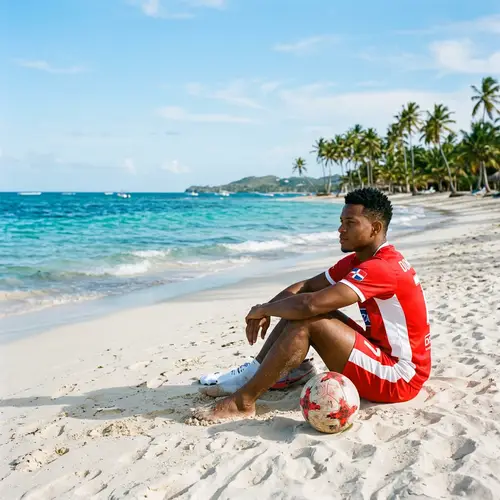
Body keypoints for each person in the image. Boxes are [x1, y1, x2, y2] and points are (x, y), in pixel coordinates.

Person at [193, 188, 431, 423]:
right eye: (341, 221)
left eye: (350, 222)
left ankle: (242, 402)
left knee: (307, 317)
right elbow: (306, 287)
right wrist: (270, 306)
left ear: (375, 228)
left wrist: (264, 310)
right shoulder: (361, 260)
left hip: (400, 379)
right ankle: (269, 372)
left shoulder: (381, 268)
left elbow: (309, 305)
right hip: (385, 356)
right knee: (298, 308)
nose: (340, 229)